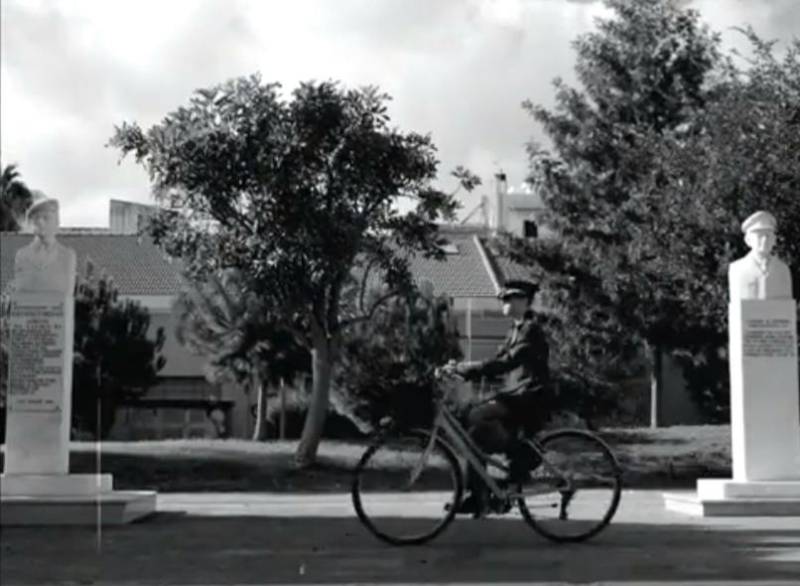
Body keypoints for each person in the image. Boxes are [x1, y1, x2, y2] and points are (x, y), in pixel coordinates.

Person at [442, 279, 550, 514]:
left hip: (530, 396)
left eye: (509, 297)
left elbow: (507, 362)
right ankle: (482, 493)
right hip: (517, 394)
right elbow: (496, 358)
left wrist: (468, 369)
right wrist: (462, 367)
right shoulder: (515, 329)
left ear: (525, 301)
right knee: (475, 433)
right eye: (502, 297)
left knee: (477, 419)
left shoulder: (531, 330)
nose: (503, 301)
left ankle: (524, 455)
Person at [728, 210, 793, 301]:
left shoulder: (783, 270)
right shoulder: (737, 269)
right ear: (748, 240)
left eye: (768, 236)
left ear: (774, 240)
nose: (765, 240)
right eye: (760, 236)